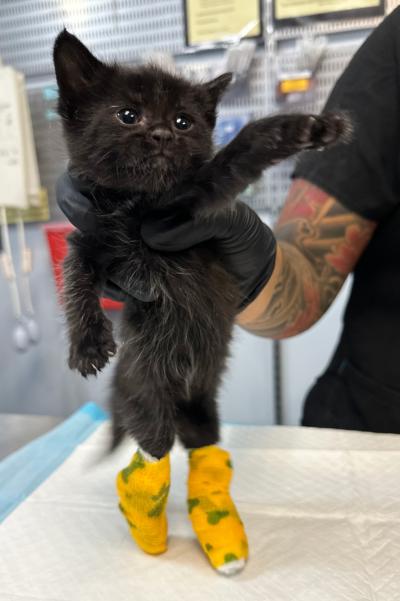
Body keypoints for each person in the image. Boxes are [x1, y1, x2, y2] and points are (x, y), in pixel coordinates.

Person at [57, 7, 400, 434]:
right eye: (131, 116)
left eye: (183, 122)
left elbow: (241, 157)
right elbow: (305, 283)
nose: (162, 134)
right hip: (375, 417)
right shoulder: (394, 50)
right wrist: (87, 326)